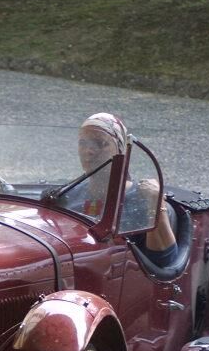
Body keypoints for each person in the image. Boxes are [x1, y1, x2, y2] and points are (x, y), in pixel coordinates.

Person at [61, 113, 177, 267]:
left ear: (120, 150)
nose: (88, 150)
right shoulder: (67, 195)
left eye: (100, 143)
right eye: (83, 142)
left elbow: (164, 262)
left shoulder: (144, 201)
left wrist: (156, 204)